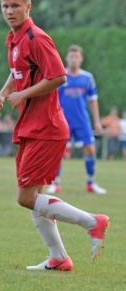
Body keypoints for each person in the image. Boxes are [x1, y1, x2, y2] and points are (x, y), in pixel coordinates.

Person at [0, 0, 109, 272]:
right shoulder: (13, 38)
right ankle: (58, 257)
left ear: (28, 6)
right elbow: (17, 71)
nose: (9, 11)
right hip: (31, 127)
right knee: (35, 196)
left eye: (15, 6)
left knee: (26, 198)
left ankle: (93, 222)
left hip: (46, 128)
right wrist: (4, 93)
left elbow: (58, 77)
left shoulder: (36, 38)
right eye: (5, 6)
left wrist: (23, 95)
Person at [45, 45, 106, 194]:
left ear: (81, 59)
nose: (74, 59)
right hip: (62, 120)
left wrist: (97, 121)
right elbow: (51, 99)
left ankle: (91, 183)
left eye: (76, 56)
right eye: (71, 56)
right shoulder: (60, 76)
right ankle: (55, 183)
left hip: (82, 120)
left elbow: (93, 100)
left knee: (90, 150)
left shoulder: (87, 78)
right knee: (58, 151)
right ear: (66, 58)